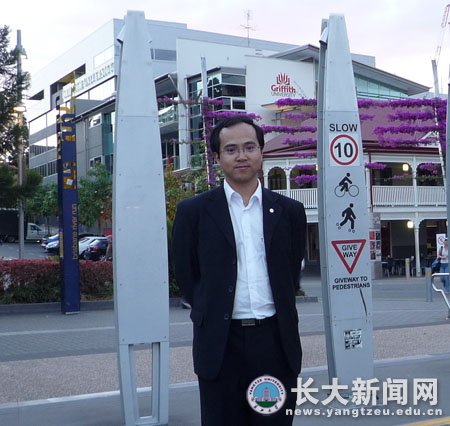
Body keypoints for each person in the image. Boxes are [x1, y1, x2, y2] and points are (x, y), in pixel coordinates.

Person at [172, 116, 306, 425]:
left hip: (275, 342)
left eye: (249, 147)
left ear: (261, 152)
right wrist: (208, 307)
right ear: (217, 157)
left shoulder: (289, 211)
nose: (241, 156)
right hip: (221, 344)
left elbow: (290, 271)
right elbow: (186, 274)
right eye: (231, 149)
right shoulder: (194, 212)